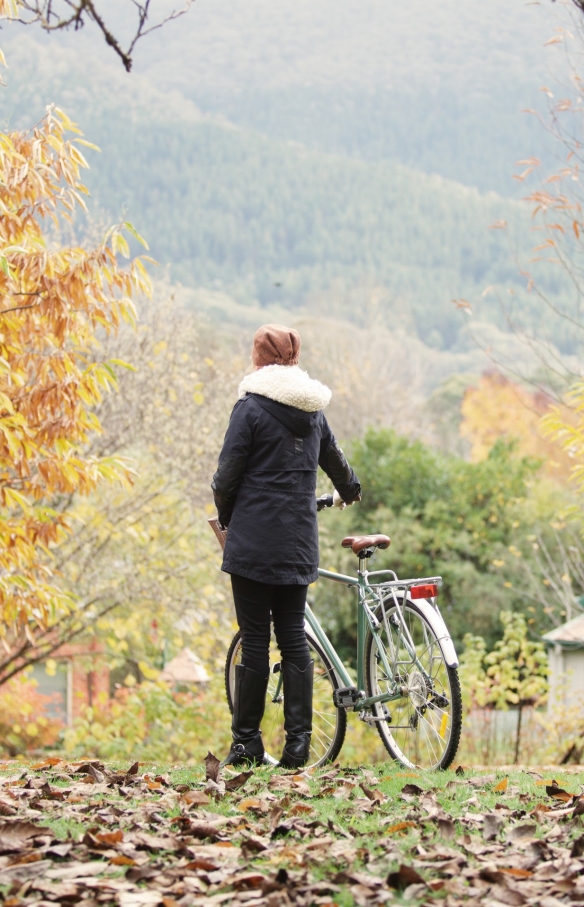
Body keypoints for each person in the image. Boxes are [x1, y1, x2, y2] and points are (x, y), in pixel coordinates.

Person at [211, 324, 361, 768]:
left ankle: (247, 744)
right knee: (294, 637)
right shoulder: (313, 411)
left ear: (259, 360)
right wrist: (350, 490)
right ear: (294, 359)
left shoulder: (250, 408)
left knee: (255, 639)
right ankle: (299, 746)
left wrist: (228, 515)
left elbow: (226, 478)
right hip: (298, 541)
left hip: (254, 541)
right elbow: (335, 461)